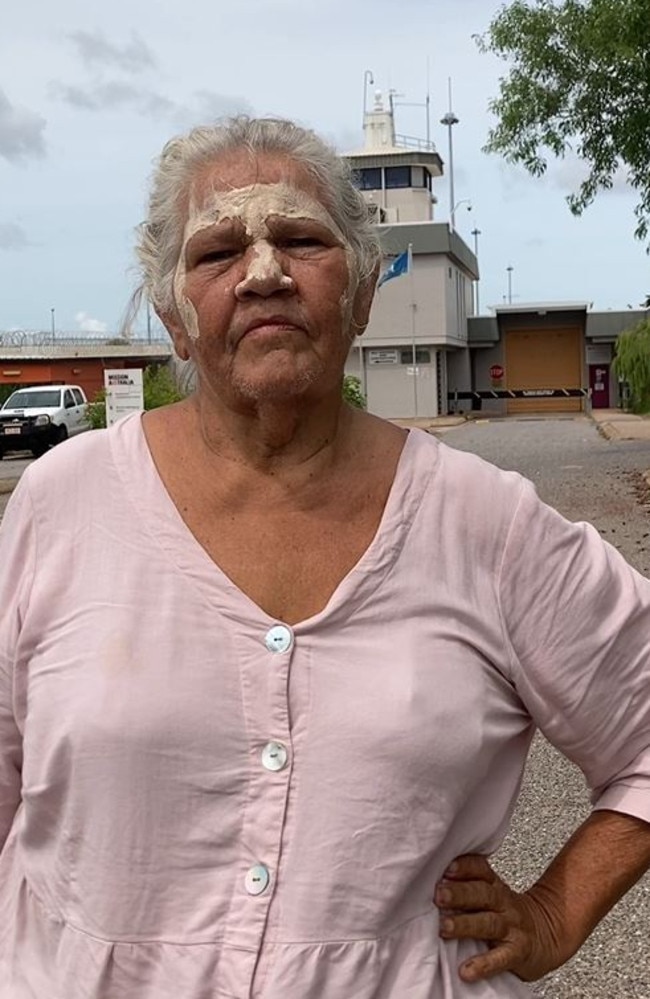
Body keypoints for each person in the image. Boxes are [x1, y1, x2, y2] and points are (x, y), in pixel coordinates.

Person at [1, 116, 650, 999]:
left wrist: (553, 913)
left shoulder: (486, 524)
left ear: (364, 292)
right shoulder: (63, 502)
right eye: (217, 252)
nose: (264, 273)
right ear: (173, 318)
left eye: (302, 239)